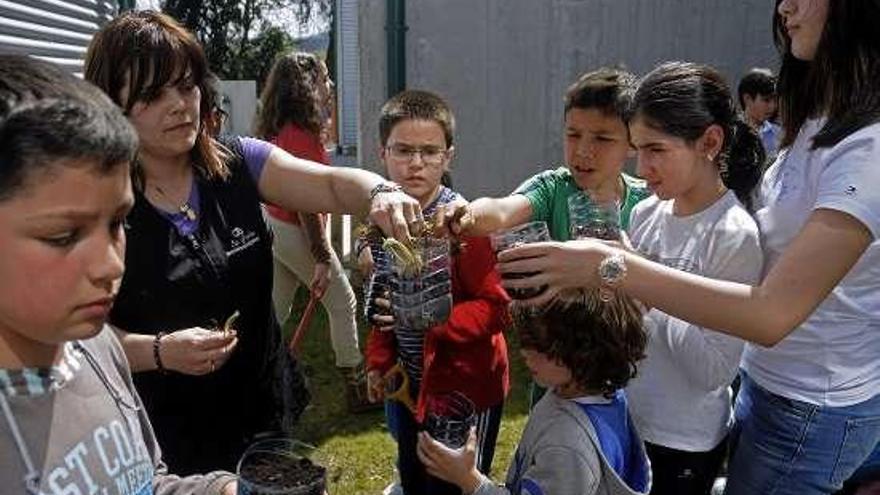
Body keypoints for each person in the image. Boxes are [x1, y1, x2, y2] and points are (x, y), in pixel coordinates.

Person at [495, 1, 880, 493]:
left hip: (799, 410)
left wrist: (620, 270)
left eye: (656, 150)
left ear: (710, 142)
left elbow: (761, 321)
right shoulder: (819, 121)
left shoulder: (861, 151)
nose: (785, 6)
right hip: (757, 392)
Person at [84, 11, 422, 475]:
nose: (181, 105)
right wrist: (159, 351)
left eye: (186, 86)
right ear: (112, 104)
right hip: (167, 435)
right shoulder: (98, 204)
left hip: (261, 412)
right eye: (152, 95)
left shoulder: (238, 162)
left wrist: (380, 192)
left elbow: (329, 185)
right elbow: (76, 339)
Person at [0, 54, 237, 495]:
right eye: (63, 236)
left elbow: (145, 481)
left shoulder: (98, 345)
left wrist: (222, 490)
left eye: (116, 224)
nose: (111, 265)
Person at [624, 61, 764, 495]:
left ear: (710, 141)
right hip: (627, 415)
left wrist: (645, 284)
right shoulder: (646, 212)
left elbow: (714, 371)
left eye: (656, 149)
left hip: (684, 440)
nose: (643, 166)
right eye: (637, 149)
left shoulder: (734, 235)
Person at [363, 90, 510, 495]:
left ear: (448, 156)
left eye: (429, 152)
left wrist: (430, 319)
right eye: (403, 150)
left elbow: (497, 308)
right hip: (409, 387)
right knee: (412, 475)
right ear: (383, 153)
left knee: (451, 483)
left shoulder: (465, 225)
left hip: (463, 388)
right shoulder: (383, 219)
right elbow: (384, 305)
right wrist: (378, 361)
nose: (415, 163)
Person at [416, 299, 650, 495]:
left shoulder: (567, 448)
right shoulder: (595, 393)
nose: (524, 353)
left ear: (583, 354)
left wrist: (469, 480)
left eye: (540, 346)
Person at [254, 51, 371, 413]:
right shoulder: (300, 135)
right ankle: (355, 389)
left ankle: (255, 374)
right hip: (292, 228)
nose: (330, 84)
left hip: (275, 225)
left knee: (276, 308)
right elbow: (304, 203)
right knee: (342, 301)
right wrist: (321, 256)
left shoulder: (288, 126)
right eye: (324, 78)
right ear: (306, 86)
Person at [438, 67, 650, 241]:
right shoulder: (551, 190)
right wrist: (467, 213)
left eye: (602, 139)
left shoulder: (649, 203)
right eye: (573, 135)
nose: (583, 151)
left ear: (634, 143)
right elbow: (501, 211)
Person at [737, 67, 781, 159]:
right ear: (747, 99)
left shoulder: (780, 135)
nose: (772, 106)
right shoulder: (731, 134)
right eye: (766, 100)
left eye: (775, 100)